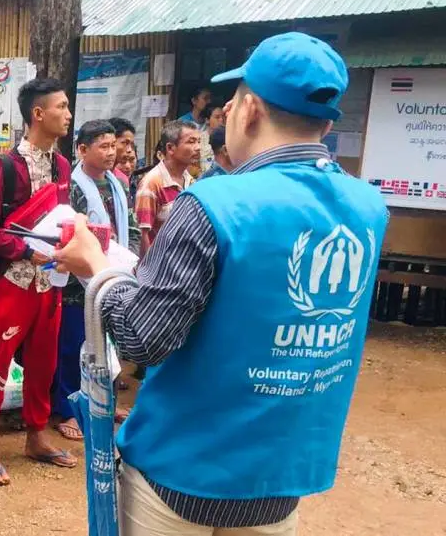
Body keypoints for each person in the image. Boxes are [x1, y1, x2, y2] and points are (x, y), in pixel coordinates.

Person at [56, 31, 389, 536]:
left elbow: (145, 339)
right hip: (283, 474)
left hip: (185, 469)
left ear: (249, 108)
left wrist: (98, 268)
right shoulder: (368, 207)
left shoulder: (213, 204)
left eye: (233, 100)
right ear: (324, 119)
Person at [0, 77, 74, 486]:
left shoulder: (62, 165)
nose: (67, 114)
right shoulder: (4, 166)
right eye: (61, 107)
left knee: (44, 361)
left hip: (51, 281)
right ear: (38, 114)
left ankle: (36, 435)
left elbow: (59, 220)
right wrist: (26, 251)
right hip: (14, 279)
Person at [54, 119, 139, 440]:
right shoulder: (72, 185)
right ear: (82, 149)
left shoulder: (116, 183)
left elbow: (129, 225)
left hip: (112, 274)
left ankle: (104, 400)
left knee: (108, 346)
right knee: (75, 344)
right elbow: (68, 231)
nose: (110, 152)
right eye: (102, 146)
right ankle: (66, 409)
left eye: (112, 145)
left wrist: (125, 259)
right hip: (79, 283)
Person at [135, 120, 199, 257]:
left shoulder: (191, 181)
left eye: (198, 142)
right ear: (170, 148)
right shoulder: (152, 183)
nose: (198, 147)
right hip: (160, 265)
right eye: (191, 142)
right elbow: (143, 235)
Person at [198, 101, 226, 173]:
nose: (221, 120)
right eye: (217, 117)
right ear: (207, 120)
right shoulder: (198, 140)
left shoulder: (229, 140)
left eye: (223, 117)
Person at [109, 117, 136, 187]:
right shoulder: (95, 174)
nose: (130, 150)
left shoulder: (122, 180)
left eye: (132, 144)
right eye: (125, 143)